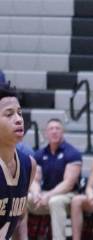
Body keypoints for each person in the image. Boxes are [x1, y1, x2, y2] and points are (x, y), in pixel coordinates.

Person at [28, 118, 82, 240]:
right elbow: (34, 179)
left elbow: (68, 184)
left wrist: (48, 195)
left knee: (55, 201)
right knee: (23, 199)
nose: (54, 131)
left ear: (63, 132)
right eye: (51, 129)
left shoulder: (72, 153)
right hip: (45, 195)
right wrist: (36, 193)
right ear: (46, 133)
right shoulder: (40, 154)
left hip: (68, 195)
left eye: (57, 128)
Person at [0, 83, 36, 239]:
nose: (18, 119)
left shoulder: (29, 165)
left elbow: (20, 218)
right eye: (9, 114)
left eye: (19, 113)